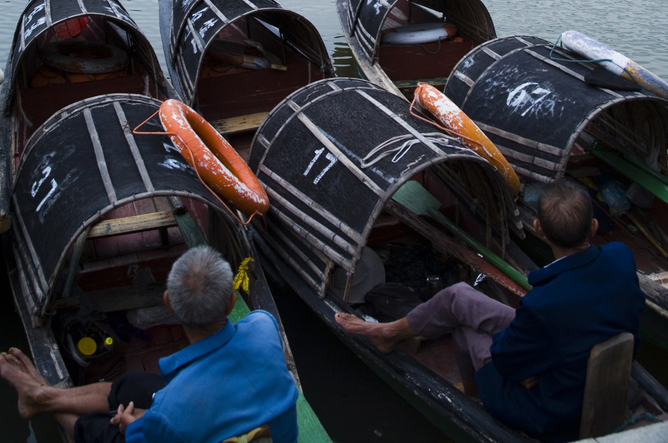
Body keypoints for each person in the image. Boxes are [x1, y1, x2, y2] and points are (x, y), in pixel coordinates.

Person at [336, 179, 645, 443]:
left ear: (538, 229)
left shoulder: (543, 304)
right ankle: (390, 332)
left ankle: (473, 398)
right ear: (593, 227)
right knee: (457, 297)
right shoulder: (621, 256)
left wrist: (530, 367)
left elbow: (507, 362)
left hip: (554, 408)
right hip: (564, 348)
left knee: (463, 327)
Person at [0, 246, 299, 443]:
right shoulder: (263, 325)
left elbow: (147, 431)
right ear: (232, 302)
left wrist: (132, 425)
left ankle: (42, 403)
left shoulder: (171, 411)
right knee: (133, 385)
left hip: (167, 427)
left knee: (101, 431)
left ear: (168, 303)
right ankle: (42, 395)